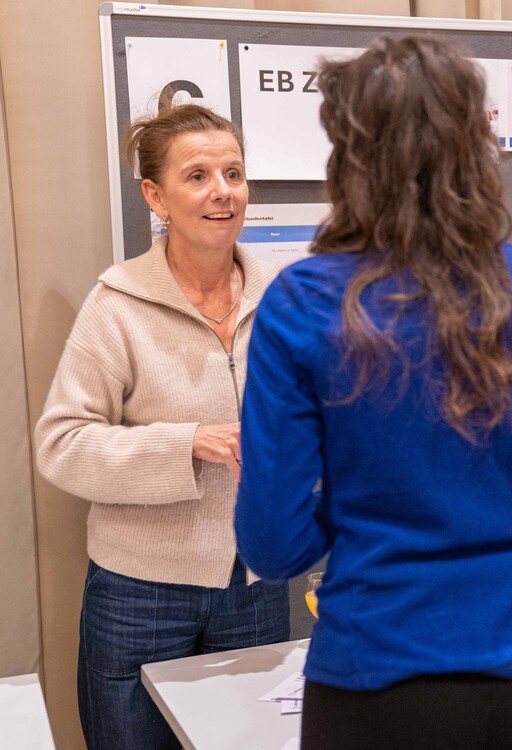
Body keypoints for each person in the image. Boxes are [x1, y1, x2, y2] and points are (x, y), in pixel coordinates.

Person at [233, 35, 512, 750]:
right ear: (477, 145)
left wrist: (364, 512)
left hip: (374, 679)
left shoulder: (303, 302)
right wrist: (504, 511)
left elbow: (273, 544)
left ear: (349, 155)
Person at [34, 103, 290, 749]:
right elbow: (61, 446)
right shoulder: (115, 305)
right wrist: (187, 442)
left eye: (232, 173)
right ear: (156, 196)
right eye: (197, 175)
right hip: (139, 593)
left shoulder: (285, 298)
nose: (221, 191)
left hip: (258, 582)